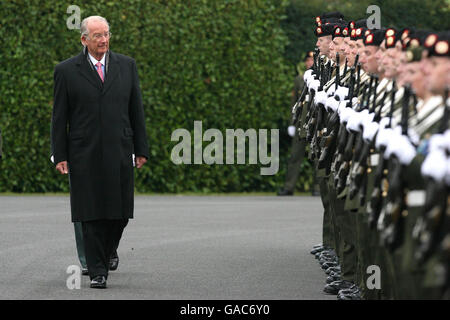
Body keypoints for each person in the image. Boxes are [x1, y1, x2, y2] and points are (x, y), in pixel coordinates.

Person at [51, 15, 149, 289]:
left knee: (119, 214)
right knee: (91, 212)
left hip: (120, 149)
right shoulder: (66, 71)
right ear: (84, 39)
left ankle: (107, 252)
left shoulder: (127, 66)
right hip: (84, 153)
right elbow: (59, 117)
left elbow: (135, 109)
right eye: (97, 36)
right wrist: (59, 154)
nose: (103, 40)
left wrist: (141, 148)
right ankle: (97, 271)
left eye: (106, 34)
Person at [277, 51, 314, 196]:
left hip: (315, 122)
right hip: (300, 123)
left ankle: (317, 188)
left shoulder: (323, 77)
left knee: (316, 157)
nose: (310, 62)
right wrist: (292, 122)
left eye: (312, 60)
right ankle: (289, 186)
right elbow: (295, 103)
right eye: (308, 60)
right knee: (294, 156)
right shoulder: (299, 80)